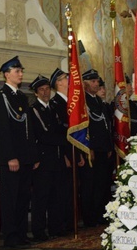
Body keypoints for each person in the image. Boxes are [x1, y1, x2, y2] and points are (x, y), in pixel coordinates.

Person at [0, 57, 38, 248]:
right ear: (7, 74)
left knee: (22, 197)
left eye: (21, 71)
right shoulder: (2, 95)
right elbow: (2, 128)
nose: (20, 74)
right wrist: (11, 156)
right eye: (17, 71)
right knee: (11, 198)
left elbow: (28, 129)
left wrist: (32, 156)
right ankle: (10, 236)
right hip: (12, 158)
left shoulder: (21, 96)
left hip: (25, 157)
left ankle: (20, 233)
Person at [29, 75, 63, 241]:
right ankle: (39, 230)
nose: (45, 92)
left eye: (47, 89)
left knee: (56, 196)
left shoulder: (53, 109)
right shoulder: (34, 109)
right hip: (42, 160)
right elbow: (43, 134)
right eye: (41, 90)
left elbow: (59, 128)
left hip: (55, 158)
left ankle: (55, 227)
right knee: (40, 198)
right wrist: (62, 139)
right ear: (36, 93)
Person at [49, 68, 81, 236]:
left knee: (72, 190)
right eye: (65, 78)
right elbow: (59, 132)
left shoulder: (71, 102)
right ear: (58, 83)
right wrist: (66, 156)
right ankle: (60, 225)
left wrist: (80, 153)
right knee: (61, 192)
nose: (69, 80)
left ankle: (71, 221)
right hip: (63, 154)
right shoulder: (56, 104)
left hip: (74, 151)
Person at [80, 69, 114, 227]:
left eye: (96, 81)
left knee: (102, 183)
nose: (96, 84)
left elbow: (105, 125)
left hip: (102, 148)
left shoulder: (98, 101)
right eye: (93, 82)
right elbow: (85, 127)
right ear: (85, 84)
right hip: (91, 149)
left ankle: (100, 213)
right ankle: (89, 217)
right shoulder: (84, 101)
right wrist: (89, 148)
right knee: (90, 184)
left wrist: (108, 146)